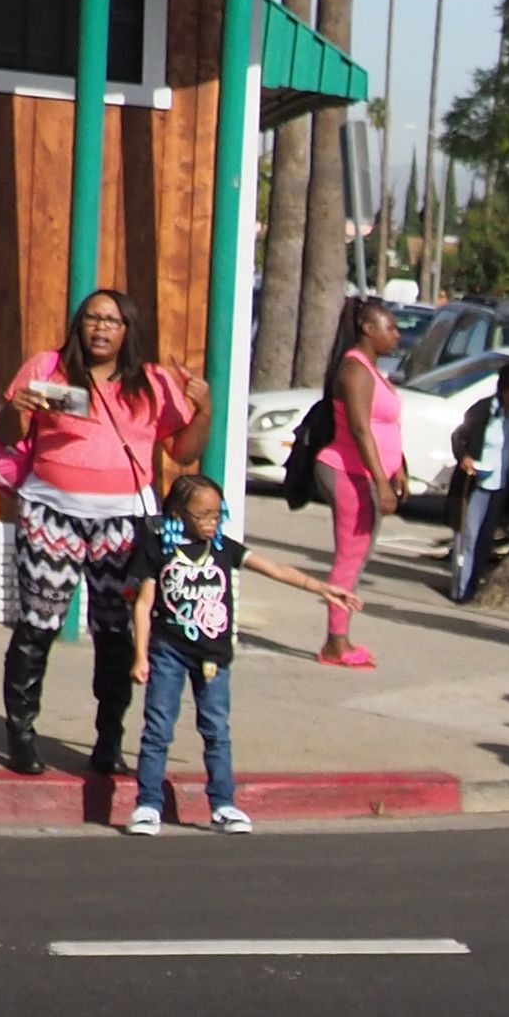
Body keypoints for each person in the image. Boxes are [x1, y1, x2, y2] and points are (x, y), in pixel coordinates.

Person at [0, 286, 204, 779]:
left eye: (111, 320)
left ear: (127, 329)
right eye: (92, 318)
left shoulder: (151, 382)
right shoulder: (47, 368)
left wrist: (205, 409)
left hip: (123, 521)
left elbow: (183, 452)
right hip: (50, 513)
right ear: (79, 325)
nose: (101, 328)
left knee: (115, 631)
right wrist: (16, 407)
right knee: (38, 624)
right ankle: (21, 735)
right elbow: (8, 435)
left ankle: (109, 740)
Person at [122, 472, 343, 836]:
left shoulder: (225, 548)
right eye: (203, 515)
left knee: (216, 731)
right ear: (178, 512)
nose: (212, 522)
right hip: (168, 652)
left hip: (214, 657)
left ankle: (223, 804)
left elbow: (275, 569)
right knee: (158, 729)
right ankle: (148, 804)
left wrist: (320, 587)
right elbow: (143, 605)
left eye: (217, 514)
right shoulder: (158, 549)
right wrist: (141, 656)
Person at [315, 295, 405, 668]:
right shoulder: (354, 371)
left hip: (367, 472)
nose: (397, 336)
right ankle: (335, 642)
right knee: (349, 557)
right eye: (391, 328)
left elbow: (386, 426)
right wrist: (381, 482)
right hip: (348, 471)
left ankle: (340, 636)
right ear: (368, 329)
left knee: (357, 556)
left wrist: (399, 468)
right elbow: (358, 428)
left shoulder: (372, 369)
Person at [444, 359, 509, 603]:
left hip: (503, 482)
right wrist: (464, 458)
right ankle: (461, 587)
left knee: (486, 537)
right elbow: (459, 435)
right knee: (469, 534)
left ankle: (473, 585)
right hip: (478, 479)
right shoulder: (484, 409)